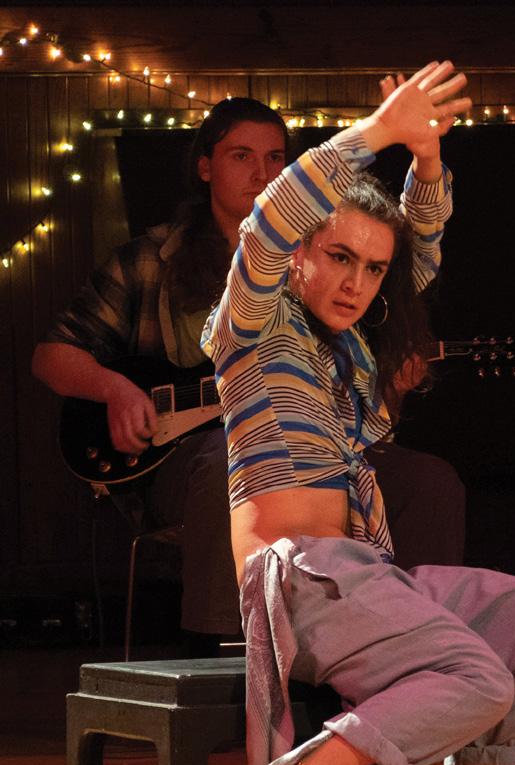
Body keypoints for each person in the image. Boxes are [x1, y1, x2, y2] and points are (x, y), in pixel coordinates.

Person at [202, 60, 515, 765]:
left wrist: (429, 160)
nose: (357, 282)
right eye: (340, 256)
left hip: (364, 577)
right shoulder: (251, 327)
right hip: (302, 585)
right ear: (296, 256)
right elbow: (272, 215)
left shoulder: (349, 362)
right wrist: (379, 133)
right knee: (481, 678)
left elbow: (419, 257)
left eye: (370, 269)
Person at [32, 95, 466, 655]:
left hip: (314, 458)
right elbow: (53, 354)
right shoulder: (177, 265)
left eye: (275, 158)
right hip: (192, 459)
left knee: (429, 480)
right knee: (226, 456)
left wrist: (427, 159)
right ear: (205, 165)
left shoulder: (329, 280)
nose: (261, 172)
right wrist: (115, 390)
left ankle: (415, 633)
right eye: (242, 156)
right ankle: (230, 650)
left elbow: (411, 252)